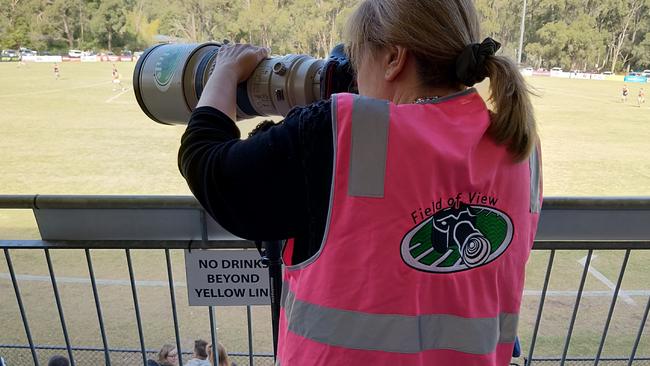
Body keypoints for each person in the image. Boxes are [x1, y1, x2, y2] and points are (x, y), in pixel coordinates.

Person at [178, 0, 542, 365]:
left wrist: (223, 71)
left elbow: (207, 164)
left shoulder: (342, 133)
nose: (354, 78)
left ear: (394, 59)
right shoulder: (520, 146)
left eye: (358, 58)